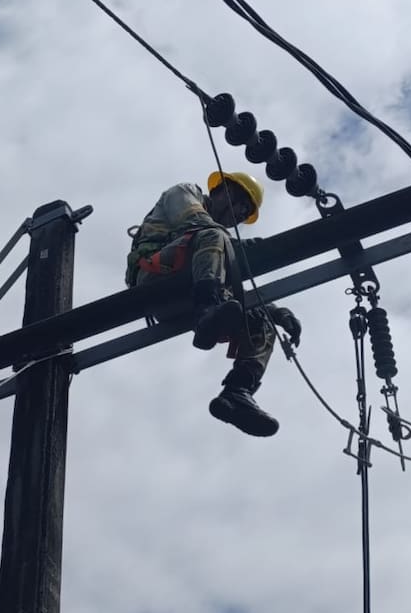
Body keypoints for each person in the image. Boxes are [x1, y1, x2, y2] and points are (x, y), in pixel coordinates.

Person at [125, 172, 302, 437]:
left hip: (188, 292)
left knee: (259, 319)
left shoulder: (216, 250)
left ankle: (238, 392)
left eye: (246, 211)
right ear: (221, 189)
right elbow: (192, 221)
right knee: (213, 235)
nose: (240, 212)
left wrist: (275, 311)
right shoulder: (185, 193)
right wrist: (241, 247)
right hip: (155, 275)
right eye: (240, 201)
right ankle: (208, 310)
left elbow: (242, 286)